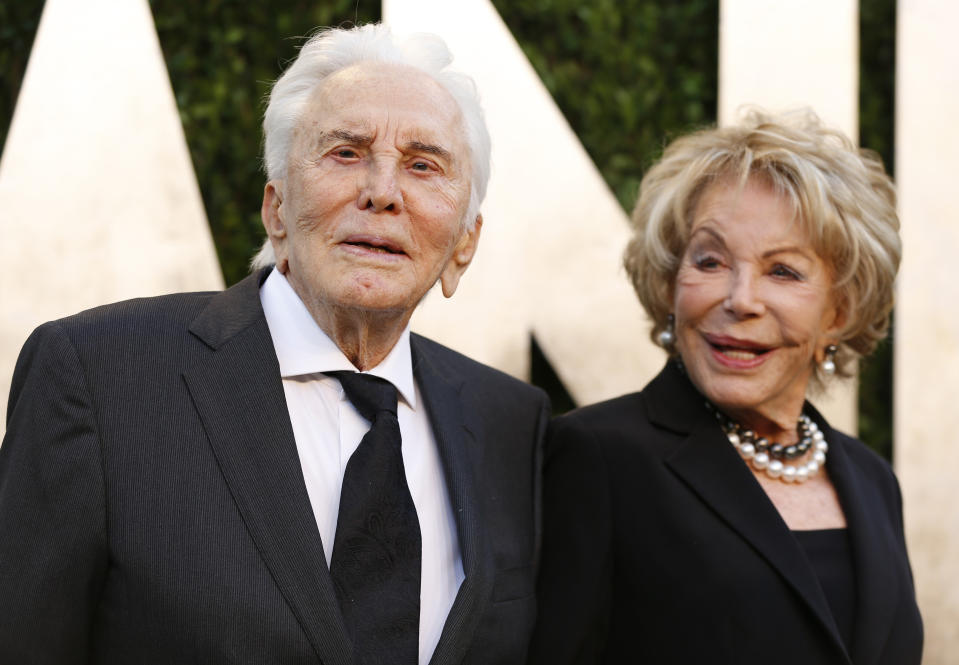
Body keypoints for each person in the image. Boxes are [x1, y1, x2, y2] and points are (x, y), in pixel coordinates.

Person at [0, 24, 549, 665]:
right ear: (277, 209)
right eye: (345, 152)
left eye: (424, 165)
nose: (382, 192)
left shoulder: (509, 420)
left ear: (463, 245)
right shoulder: (96, 374)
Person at [528, 111, 922, 665]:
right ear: (670, 285)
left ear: (839, 310)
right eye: (710, 261)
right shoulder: (598, 455)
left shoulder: (872, 479)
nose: (741, 299)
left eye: (783, 271)